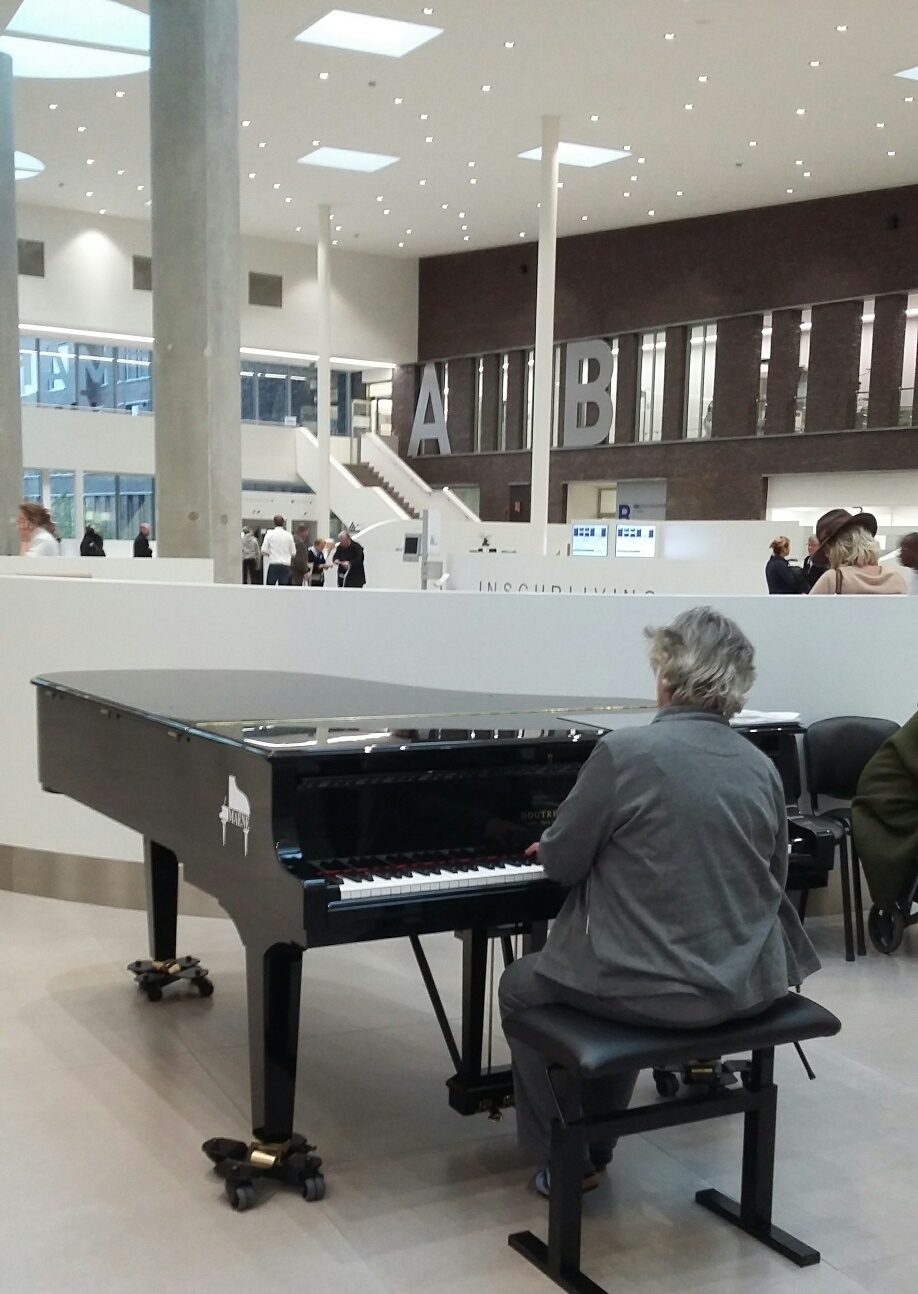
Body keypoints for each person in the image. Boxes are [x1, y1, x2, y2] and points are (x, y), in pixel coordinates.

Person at [499, 606, 819, 1196]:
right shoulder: (760, 768)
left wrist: (548, 847)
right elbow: (772, 880)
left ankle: (567, 1157)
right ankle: (596, 1146)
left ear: (669, 677)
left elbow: (565, 865)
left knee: (524, 986)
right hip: (744, 990)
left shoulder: (624, 755)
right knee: (621, 975)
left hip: (650, 994)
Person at [809, 509, 907, 595]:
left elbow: (806, 613)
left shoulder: (834, 579)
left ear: (837, 548)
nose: (827, 555)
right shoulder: (895, 578)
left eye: (826, 549)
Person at [260, 515, 296, 586]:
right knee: (284, 589)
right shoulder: (289, 535)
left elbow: (263, 550)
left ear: (274, 523)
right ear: (283, 523)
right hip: (286, 566)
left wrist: (271, 553)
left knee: (270, 588)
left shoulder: (269, 534)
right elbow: (293, 553)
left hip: (274, 564)